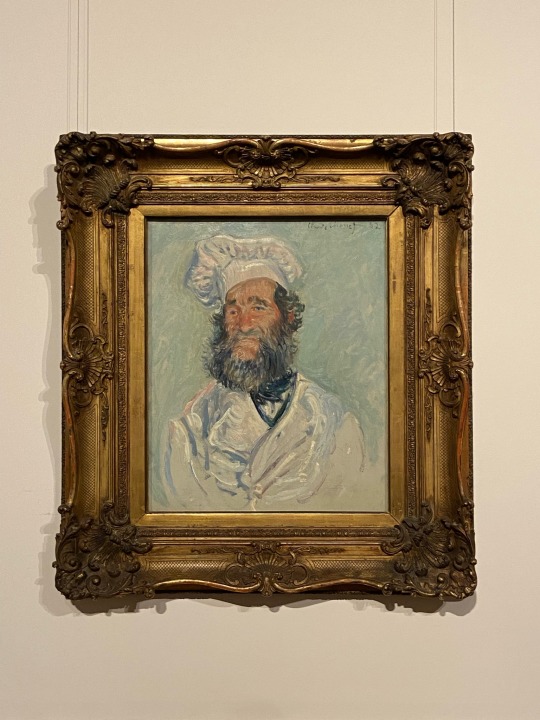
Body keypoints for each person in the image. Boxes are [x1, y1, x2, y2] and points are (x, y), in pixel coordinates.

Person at [155, 235, 365, 512]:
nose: (244, 324)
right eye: (233, 310)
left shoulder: (335, 423)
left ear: (288, 318)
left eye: (258, 307)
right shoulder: (190, 429)